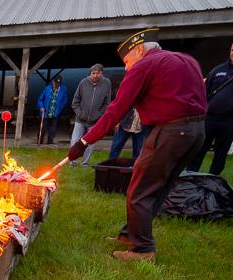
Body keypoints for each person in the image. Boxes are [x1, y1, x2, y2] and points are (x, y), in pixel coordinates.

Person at [66, 27, 207, 261]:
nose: (126, 66)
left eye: (127, 60)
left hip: (171, 132)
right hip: (196, 131)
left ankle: (143, 249)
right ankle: (131, 234)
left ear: (139, 50)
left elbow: (116, 110)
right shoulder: (187, 60)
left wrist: (83, 142)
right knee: (159, 186)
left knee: (139, 188)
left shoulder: (144, 66)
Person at [187, 35, 233, 175]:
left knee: (220, 153)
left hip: (231, 120)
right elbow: (204, 92)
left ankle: (213, 179)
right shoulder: (218, 70)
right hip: (209, 118)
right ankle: (190, 177)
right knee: (198, 149)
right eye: (232, 49)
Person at [70, 64, 111, 166]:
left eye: (98, 73)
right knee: (75, 140)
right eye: (93, 73)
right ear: (90, 73)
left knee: (90, 142)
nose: (95, 75)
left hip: (94, 120)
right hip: (80, 119)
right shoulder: (83, 82)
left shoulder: (107, 83)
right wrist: (80, 113)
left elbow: (107, 103)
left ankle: (85, 163)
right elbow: (75, 101)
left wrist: (99, 114)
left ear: (102, 73)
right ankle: (72, 162)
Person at [36, 76, 68, 144]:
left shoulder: (63, 89)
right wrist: (41, 107)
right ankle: (39, 141)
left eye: (58, 84)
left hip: (55, 113)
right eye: (55, 83)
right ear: (53, 82)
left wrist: (59, 109)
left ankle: (50, 142)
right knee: (43, 128)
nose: (56, 85)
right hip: (45, 113)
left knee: (52, 129)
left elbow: (64, 100)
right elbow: (40, 99)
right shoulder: (47, 89)